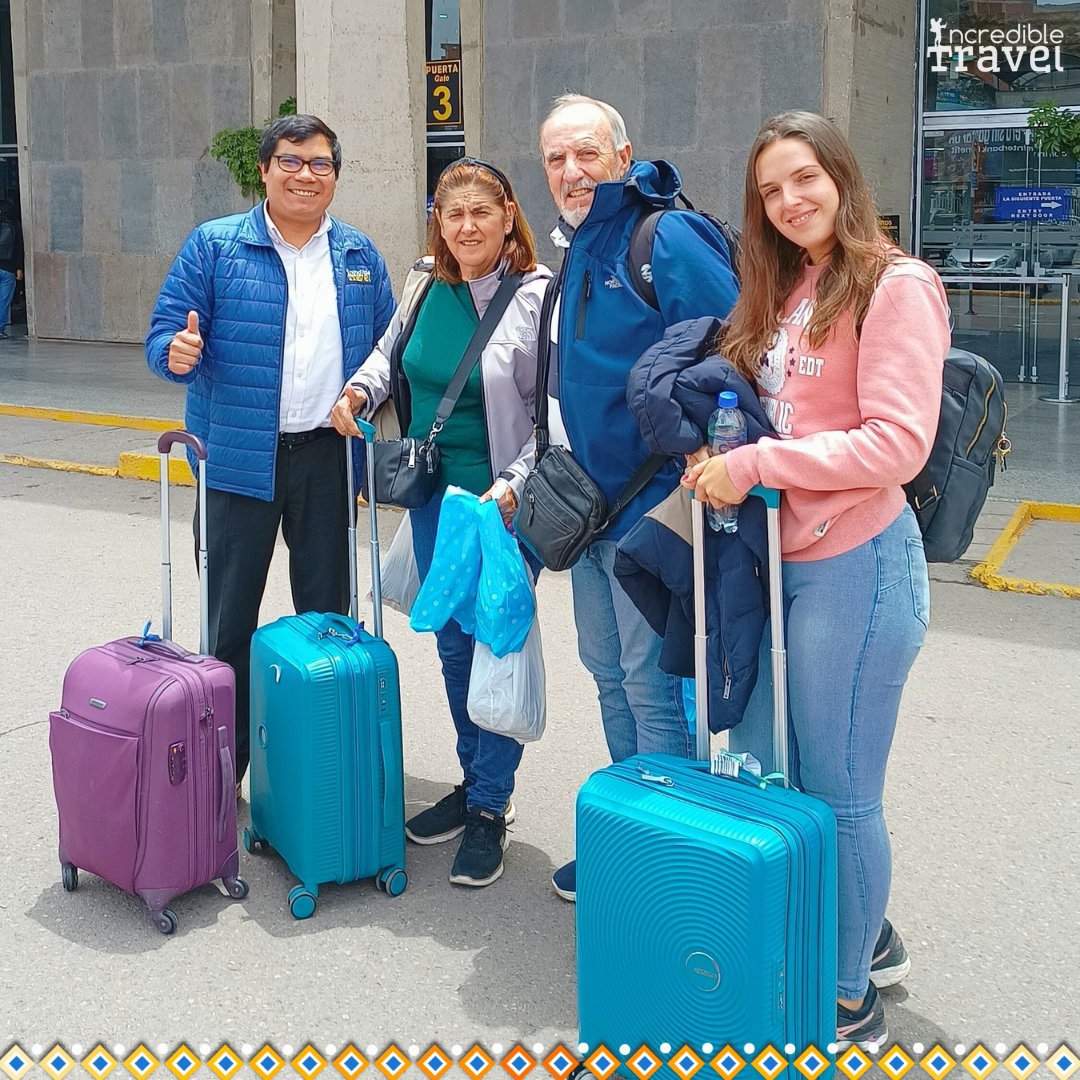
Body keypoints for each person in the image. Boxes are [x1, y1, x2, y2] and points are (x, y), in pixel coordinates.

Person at [684, 111, 950, 1050]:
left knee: (841, 791)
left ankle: (847, 994)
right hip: (778, 563)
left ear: (841, 175)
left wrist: (757, 465)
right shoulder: (792, 282)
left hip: (857, 566)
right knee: (779, 774)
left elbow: (898, 444)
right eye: (770, 190)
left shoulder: (896, 284)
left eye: (804, 178)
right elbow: (776, 410)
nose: (789, 201)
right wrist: (720, 449)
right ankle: (860, 934)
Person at [145, 114, 395, 792]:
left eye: (320, 163)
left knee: (329, 622)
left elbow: (386, 353)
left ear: (335, 176)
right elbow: (163, 332)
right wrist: (174, 352)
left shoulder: (359, 256)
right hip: (235, 460)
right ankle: (222, 774)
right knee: (228, 626)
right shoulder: (215, 245)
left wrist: (366, 398)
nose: (305, 175)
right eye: (290, 160)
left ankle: (319, 770)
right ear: (264, 170)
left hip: (327, 459)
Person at [537, 93, 739, 902]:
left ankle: (671, 869)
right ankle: (631, 835)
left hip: (653, 508)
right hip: (589, 511)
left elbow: (734, 349)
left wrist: (703, 455)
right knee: (608, 676)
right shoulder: (579, 245)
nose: (571, 171)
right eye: (556, 158)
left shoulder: (664, 237)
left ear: (623, 157)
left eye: (587, 153)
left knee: (651, 688)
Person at [330, 158, 552, 888]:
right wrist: (358, 393)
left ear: (508, 216)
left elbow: (552, 414)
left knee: (496, 647)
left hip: (499, 506)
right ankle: (473, 778)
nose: (466, 227)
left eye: (480, 213)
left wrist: (513, 485)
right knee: (455, 647)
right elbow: (388, 356)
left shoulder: (537, 297)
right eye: (453, 215)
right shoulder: (425, 283)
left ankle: (490, 804)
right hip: (432, 500)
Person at [0, 199, 24, 338]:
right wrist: (19, 269)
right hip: (8, 269)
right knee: (3, 302)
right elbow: (19, 249)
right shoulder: (15, 226)